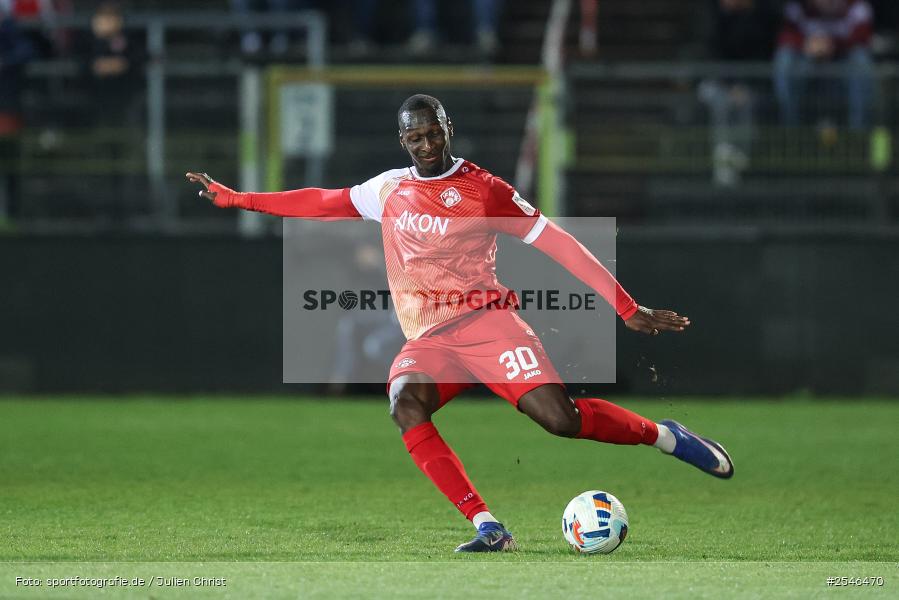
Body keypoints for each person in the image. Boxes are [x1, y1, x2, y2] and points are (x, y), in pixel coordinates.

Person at [186, 95, 734, 553]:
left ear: (448, 129)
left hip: (489, 324)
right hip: (430, 340)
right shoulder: (388, 189)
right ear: (403, 141)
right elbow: (323, 202)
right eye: (415, 138)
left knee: (559, 421)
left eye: (434, 133)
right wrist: (240, 198)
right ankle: (487, 526)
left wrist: (625, 306)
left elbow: (560, 244)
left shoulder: (485, 190)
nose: (427, 145)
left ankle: (665, 436)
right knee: (404, 402)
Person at [698, 0, 778, 185]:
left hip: (747, 84)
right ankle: (723, 162)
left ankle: (741, 157)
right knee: (722, 102)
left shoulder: (761, 18)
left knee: (747, 103)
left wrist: (743, 85)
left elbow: (761, 57)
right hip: (714, 83)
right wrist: (730, 85)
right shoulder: (713, 16)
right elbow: (711, 56)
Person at [774, 0, 875, 129]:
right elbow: (786, 35)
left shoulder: (857, 6)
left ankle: (859, 133)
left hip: (842, 61)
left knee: (861, 59)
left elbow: (863, 38)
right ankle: (790, 130)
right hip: (808, 62)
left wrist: (831, 44)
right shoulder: (798, 7)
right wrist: (806, 44)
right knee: (785, 59)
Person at [0, 4, 33, 220]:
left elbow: (27, 51)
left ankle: (10, 213)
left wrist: (4, 61)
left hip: (5, 108)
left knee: (8, 163)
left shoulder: (9, 30)